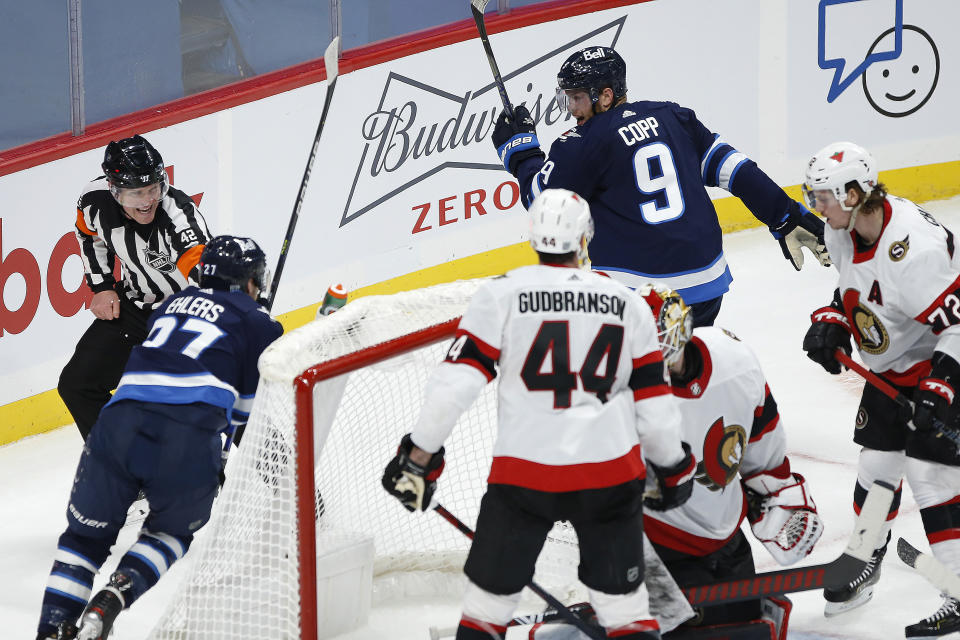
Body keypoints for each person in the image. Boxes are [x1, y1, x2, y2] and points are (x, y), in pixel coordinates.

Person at [382, 188, 697, 640]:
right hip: (609, 476)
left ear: (533, 239)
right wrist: (672, 468)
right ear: (585, 239)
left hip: (524, 476)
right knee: (626, 612)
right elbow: (654, 409)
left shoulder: (501, 295)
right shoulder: (626, 304)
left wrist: (419, 457)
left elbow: (453, 387)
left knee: (485, 610)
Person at [35, 236, 283, 640]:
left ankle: (50, 632)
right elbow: (243, 414)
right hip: (184, 437)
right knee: (169, 534)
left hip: (115, 425)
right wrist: (212, 458)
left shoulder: (170, 305)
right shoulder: (259, 323)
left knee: (81, 543)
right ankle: (114, 596)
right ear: (251, 282)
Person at [490, 46, 829, 328]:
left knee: (637, 394)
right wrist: (784, 214)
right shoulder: (672, 116)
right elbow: (734, 170)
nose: (572, 109)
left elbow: (543, 202)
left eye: (577, 98)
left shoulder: (582, 143)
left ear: (605, 96)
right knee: (688, 379)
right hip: (707, 288)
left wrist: (522, 153)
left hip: (639, 300)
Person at [801, 141, 960, 636]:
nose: (815, 206)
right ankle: (866, 555)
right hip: (893, 369)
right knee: (876, 468)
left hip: (939, 367)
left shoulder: (915, 252)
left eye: (821, 196)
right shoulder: (846, 227)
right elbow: (859, 287)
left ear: (853, 193)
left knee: (931, 477)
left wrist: (941, 391)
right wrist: (832, 321)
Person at [638, 283, 822, 639]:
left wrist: (774, 491)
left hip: (727, 542)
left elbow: (762, 437)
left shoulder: (733, 359)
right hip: (660, 552)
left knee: (748, 629)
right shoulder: (619, 392)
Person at [58, 134, 212, 441]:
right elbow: (88, 235)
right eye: (136, 193)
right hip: (136, 307)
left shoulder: (179, 217)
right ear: (115, 192)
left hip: (186, 312)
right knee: (77, 384)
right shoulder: (95, 200)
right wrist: (101, 285)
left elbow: (204, 272)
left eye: (153, 189)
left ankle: (290, 478)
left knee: (228, 395)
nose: (147, 201)